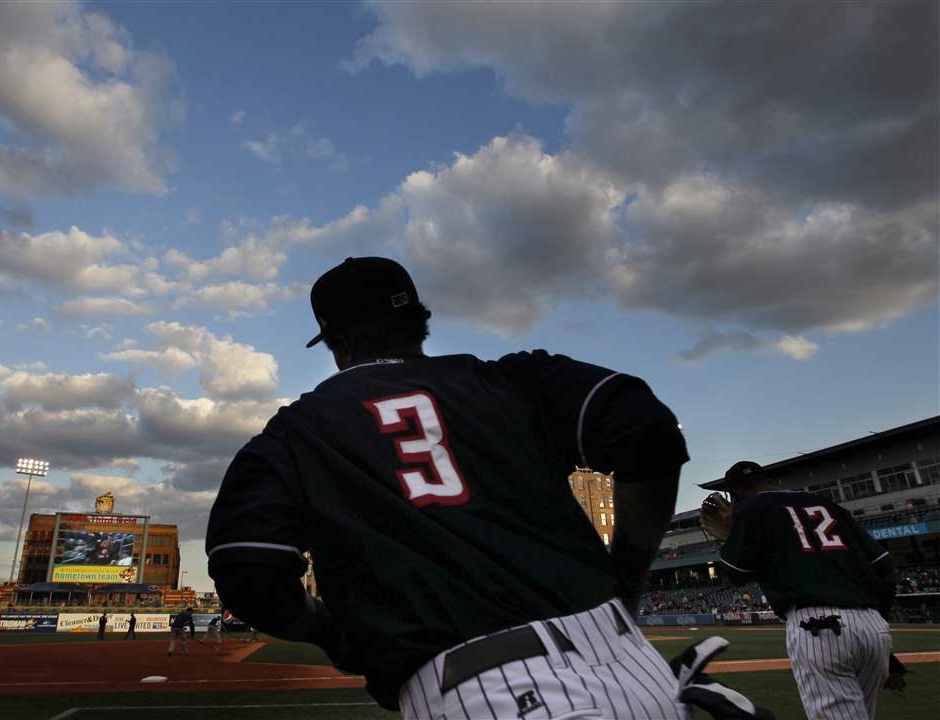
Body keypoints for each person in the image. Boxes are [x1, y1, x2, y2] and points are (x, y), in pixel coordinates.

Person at [206, 256, 691, 718]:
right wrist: (627, 579)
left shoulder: (295, 431)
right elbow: (648, 430)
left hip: (482, 691)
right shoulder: (511, 378)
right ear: (421, 322)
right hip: (639, 671)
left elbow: (244, 564)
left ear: (336, 343)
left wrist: (335, 637)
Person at [701, 461, 898, 720]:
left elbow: (736, 574)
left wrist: (732, 537)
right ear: (768, 481)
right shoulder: (825, 503)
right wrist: (878, 621)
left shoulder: (751, 509)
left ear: (735, 494)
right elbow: (888, 569)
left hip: (818, 627)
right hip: (874, 628)